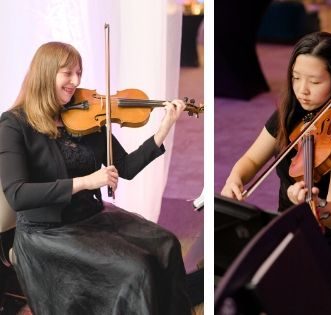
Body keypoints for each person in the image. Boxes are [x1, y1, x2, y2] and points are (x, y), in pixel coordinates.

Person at [0, 42, 191, 314]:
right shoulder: (14, 124)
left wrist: (163, 129)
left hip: (91, 216)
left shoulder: (85, 115)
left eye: (79, 73)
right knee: (137, 270)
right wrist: (86, 182)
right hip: (47, 232)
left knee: (167, 244)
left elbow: (126, 167)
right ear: (46, 72)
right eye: (67, 73)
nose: (76, 81)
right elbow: (18, 195)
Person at [220, 32, 331, 281]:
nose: (302, 90)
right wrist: (234, 179)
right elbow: (251, 160)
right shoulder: (289, 113)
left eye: (315, 81)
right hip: (286, 232)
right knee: (229, 266)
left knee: (275, 283)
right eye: (296, 77)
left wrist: (317, 204)